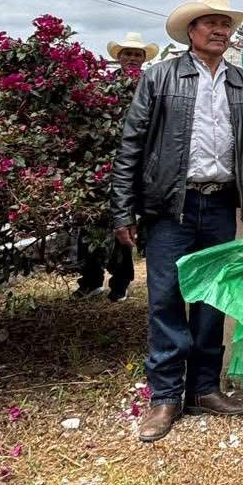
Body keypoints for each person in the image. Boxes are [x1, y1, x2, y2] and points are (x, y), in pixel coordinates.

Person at [111, 0, 243, 444]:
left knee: (212, 300)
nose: (220, 30)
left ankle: (204, 389)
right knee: (165, 299)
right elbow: (131, 145)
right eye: (211, 23)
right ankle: (165, 396)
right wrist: (122, 208)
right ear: (191, 31)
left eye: (225, 24)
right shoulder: (159, 77)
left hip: (220, 204)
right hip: (170, 207)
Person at [73, 31, 161, 302]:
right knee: (90, 224)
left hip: (135, 166)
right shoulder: (104, 86)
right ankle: (90, 280)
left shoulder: (151, 85)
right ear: (119, 57)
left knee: (124, 224)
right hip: (101, 167)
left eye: (137, 54)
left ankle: (120, 283)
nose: (132, 58)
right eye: (128, 54)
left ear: (143, 58)